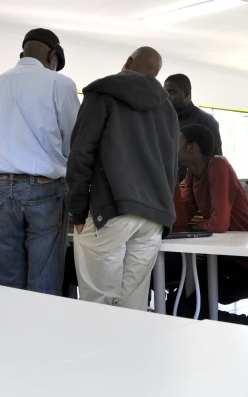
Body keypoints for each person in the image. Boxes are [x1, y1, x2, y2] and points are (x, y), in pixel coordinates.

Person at [67, 46, 177, 310]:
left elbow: (81, 153)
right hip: (153, 217)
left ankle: (100, 351)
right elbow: (172, 165)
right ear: (157, 74)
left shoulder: (102, 94)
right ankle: (132, 352)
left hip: (111, 209)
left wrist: (78, 211)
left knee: (98, 303)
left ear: (127, 61)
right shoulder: (168, 110)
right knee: (134, 305)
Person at [0, 28, 79, 295]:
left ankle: (9, 334)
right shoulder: (60, 83)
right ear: (53, 55)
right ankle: (41, 335)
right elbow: (73, 141)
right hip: (45, 188)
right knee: (44, 279)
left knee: (7, 281)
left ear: (23, 53)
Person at [170, 124, 248, 319]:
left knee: (186, 304)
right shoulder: (191, 174)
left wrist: (200, 224)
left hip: (243, 259)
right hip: (220, 256)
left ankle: (243, 325)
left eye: (177, 143)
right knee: (182, 298)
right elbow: (181, 221)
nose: (172, 146)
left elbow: (219, 224)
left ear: (192, 148)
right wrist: (171, 176)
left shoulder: (218, 166)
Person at [164, 74, 222, 180]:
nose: (167, 97)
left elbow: (216, 161)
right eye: (165, 93)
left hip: (199, 186)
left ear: (186, 93)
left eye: (171, 92)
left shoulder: (206, 121)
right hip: (168, 184)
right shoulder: (164, 121)